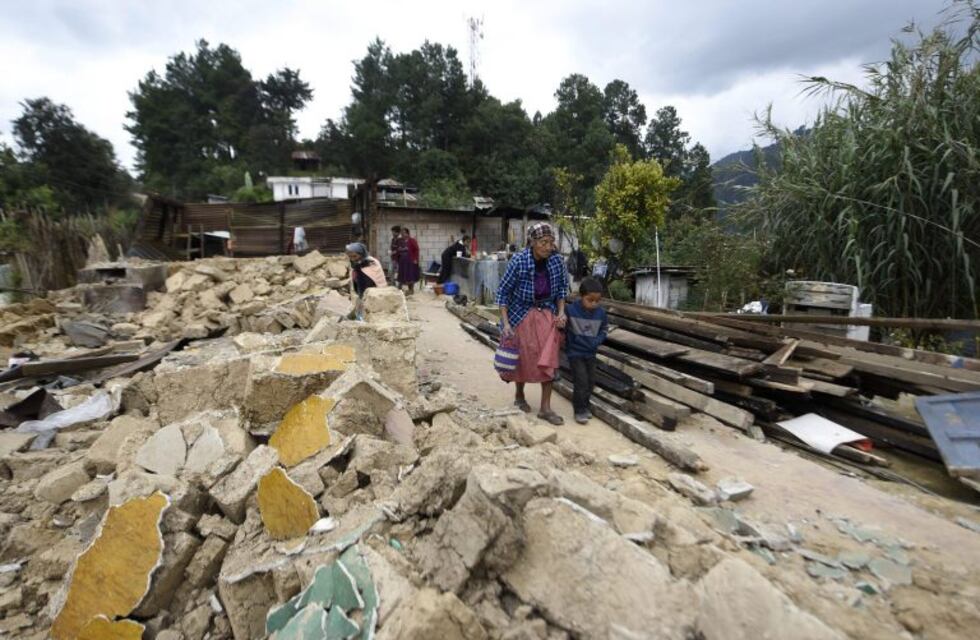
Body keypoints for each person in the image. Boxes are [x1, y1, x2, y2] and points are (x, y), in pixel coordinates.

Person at [496, 222, 569, 425]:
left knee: (549, 358)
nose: (548, 247)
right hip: (521, 313)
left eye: (551, 242)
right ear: (533, 242)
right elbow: (503, 292)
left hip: (547, 312)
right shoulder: (519, 260)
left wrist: (561, 312)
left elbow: (563, 288)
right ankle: (520, 395)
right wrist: (506, 323)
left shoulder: (556, 261)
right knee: (523, 357)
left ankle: (545, 408)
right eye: (543, 242)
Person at [564, 277, 608, 424]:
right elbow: (561, 328)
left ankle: (586, 406)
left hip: (591, 353)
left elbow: (604, 330)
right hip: (575, 353)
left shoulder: (601, 313)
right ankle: (579, 410)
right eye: (590, 300)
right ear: (581, 296)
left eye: (597, 301)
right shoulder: (570, 310)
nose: (594, 304)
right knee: (581, 381)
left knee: (590, 382)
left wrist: (597, 341)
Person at [345, 242, 387, 318]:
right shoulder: (357, 263)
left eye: (355, 256)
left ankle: (361, 314)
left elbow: (369, 281)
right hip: (363, 291)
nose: (352, 259)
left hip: (375, 292)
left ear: (361, 254)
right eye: (350, 257)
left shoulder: (371, 262)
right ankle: (358, 314)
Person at [398, 226, 421, 294]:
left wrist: (415, 259)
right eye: (401, 233)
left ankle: (411, 290)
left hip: (410, 261)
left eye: (404, 233)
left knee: (410, 275)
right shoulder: (401, 241)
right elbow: (399, 250)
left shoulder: (412, 240)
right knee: (403, 275)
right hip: (403, 261)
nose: (402, 234)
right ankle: (401, 289)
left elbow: (416, 249)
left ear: (408, 234)